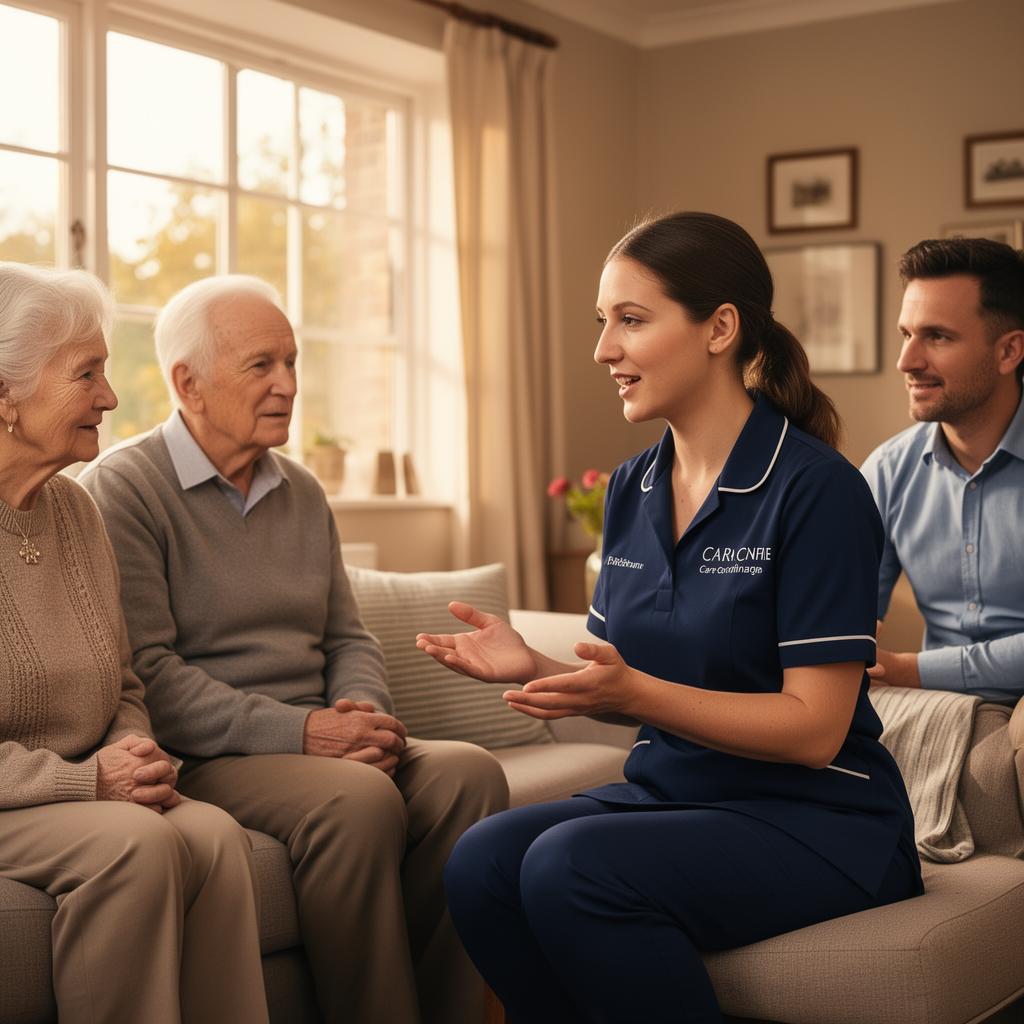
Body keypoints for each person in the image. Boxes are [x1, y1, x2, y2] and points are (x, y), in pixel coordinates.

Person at [418, 212, 923, 1024]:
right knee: (480, 860)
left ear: (720, 327)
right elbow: (623, 679)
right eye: (602, 322)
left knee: (568, 866)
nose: (603, 350)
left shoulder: (816, 489)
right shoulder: (631, 487)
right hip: (676, 795)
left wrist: (631, 695)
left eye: (631, 319)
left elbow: (815, 730)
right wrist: (536, 668)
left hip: (820, 819)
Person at [79, 274, 509, 1024]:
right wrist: (306, 732)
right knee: (359, 797)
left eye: (292, 361)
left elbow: (348, 633)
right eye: (261, 366)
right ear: (189, 383)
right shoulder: (123, 489)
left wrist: (362, 711)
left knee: (468, 776)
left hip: (318, 740)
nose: (287, 385)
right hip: (211, 756)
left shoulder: (303, 491)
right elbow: (148, 674)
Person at [0, 262, 268, 1024]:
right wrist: (86, 783)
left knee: (215, 837)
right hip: (20, 795)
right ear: (3, 395)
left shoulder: (77, 512)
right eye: (86, 374)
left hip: (81, 786)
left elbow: (121, 680)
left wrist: (133, 750)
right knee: (134, 844)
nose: (111, 397)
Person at [861, 238, 1024, 701]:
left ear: (1009, 352)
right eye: (906, 334)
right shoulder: (890, 470)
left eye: (937, 336)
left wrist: (909, 669)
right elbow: (841, 615)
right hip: (934, 703)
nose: (906, 362)